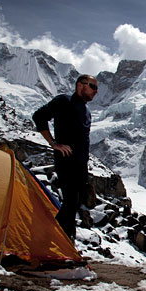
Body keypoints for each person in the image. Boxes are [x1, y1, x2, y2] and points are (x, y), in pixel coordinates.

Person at [32, 74, 98, 241]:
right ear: (80, 85)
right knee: (70, 203)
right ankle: (49, 242)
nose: (96, 91)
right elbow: (39, 116)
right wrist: (54, 143)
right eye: (93, 86)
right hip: (67, 162)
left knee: (73, 204)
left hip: (81, 165)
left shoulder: (86, 110)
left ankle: (67, 245)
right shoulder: (64, 101)